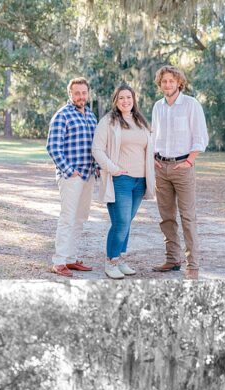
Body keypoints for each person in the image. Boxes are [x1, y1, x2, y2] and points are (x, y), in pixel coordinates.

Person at [91, 85, 156, 280]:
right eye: (121, 98)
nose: (125, 101)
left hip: (140, 181)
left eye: (129, 97)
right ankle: (110, 262)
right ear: (115, 101)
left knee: (127, 223)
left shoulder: (140, 121)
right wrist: (113, 168)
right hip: (120, 179)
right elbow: (97, 149)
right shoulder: (108, 121)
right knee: (121, 223)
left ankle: (120, 259)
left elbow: (147, 149)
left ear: (134, 99)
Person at [150, 65, 208, 278]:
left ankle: (192, 265)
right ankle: (172, 259)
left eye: (171, 81)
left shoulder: (191, 105)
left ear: (179, 83)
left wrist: (190, 161)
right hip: (161, 168)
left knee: (187, 217)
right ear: (160, 84)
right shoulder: (158, 107)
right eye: (164, 81)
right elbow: (153, 135)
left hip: (183, 167)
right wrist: (154, 157)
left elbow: (200, 137)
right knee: (166, 217)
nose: (167, 85)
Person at [45, 77, 99, 278]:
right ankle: (59, 262)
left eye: (84, 93)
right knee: (68, 218)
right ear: (70, 94)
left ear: (88, 94)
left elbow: (95, 147)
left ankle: (71, 258)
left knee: (80, 218)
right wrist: (69, 170)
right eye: (77, 93)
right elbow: (53, 147)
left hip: (88, 175)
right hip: (71, 176)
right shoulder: (62, 115)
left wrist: (98, 168)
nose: (81, 96)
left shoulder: (91, 117)